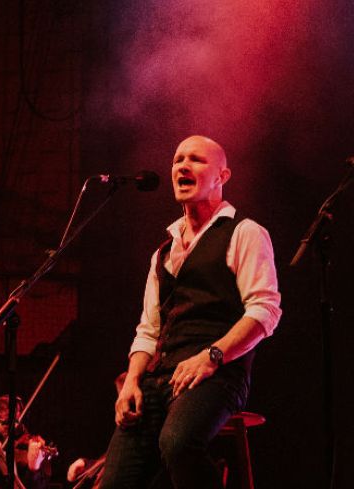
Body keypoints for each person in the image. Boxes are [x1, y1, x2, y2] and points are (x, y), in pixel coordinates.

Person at [98, 135, 282, 489]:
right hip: (158, 377)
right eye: (177, 159)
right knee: (114, 481)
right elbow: (149, 329)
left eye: (196, 159)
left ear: (222, 176)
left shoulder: (245, 233)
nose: (182, 165)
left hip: (217, 374)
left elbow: (264, 312)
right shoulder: (163, 252)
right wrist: (132, 381)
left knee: (178, 442)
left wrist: (211, 356)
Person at [0, 395, 51, 489]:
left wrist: (34, 470)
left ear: (21, 416)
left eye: (9, 418)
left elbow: (41, 486)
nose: (3, 424)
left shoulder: (35, 444)